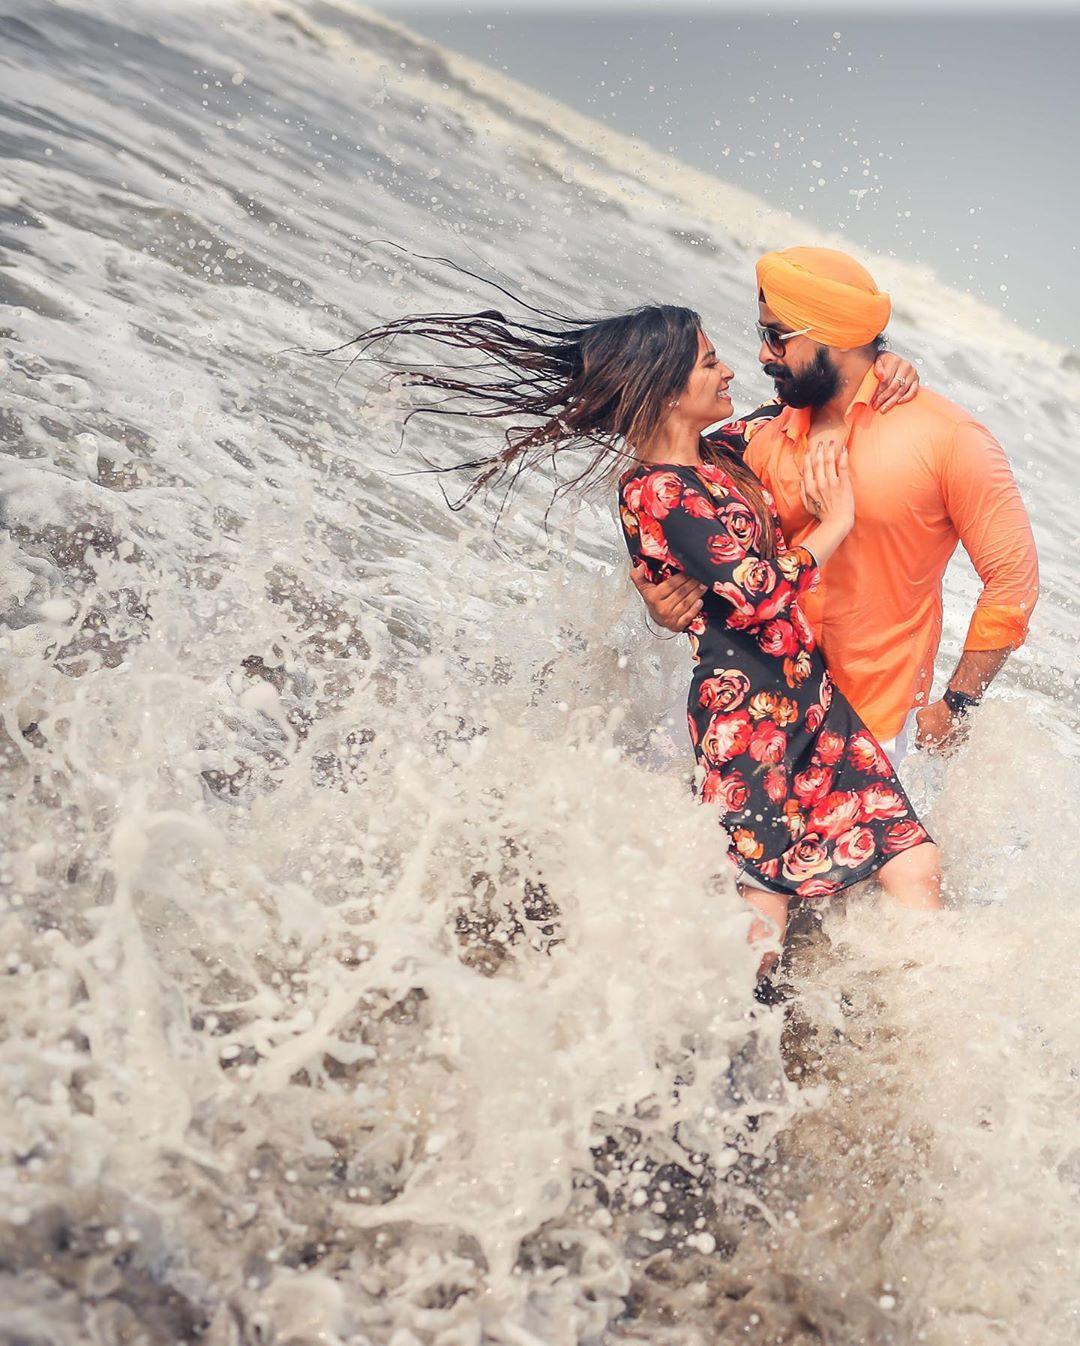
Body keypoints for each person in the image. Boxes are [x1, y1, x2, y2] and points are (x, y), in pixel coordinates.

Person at [348, 295, 943, 977]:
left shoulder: (723, 453)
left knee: (907, 850)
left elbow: (802, 411)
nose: (729, 373)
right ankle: (734, 1050)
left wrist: (878, 367)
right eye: (710, 362)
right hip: (746, 717)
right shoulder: (654, 490)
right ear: (665, 391)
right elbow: (755, 593)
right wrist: (834, 523)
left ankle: (929, 1020)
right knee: (764, 899)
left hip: (812, 700)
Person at [634, 247, 1040, 764]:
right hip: (734, 699)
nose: (763, 355)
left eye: (777, 337)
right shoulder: (765, 428)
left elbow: (1014, 579)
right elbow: (673, 495)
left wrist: (957, 703)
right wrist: (662, 590)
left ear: (836, 336)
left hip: (863, 728)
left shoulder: (951, 439)